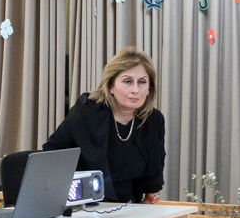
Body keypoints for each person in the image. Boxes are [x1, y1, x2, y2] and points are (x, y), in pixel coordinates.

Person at [42, 49, 166, 204]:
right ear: (111, 86)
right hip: (87, 207)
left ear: (149, 89)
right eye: (127, 81)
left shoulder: (153, 120)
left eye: (142, 82)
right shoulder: (86, 113)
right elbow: (51, 153)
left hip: (132, 208)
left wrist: (149, 205)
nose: (135, 90)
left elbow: (154, 175)